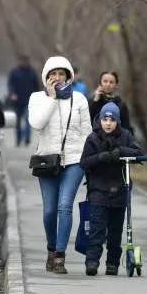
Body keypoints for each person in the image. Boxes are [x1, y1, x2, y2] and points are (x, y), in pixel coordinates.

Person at [28, 56, 93, 274]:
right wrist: (52, 99)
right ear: (46, 77)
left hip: (74, 160)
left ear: (68, 76)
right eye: (53, 74)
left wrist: (87, 160)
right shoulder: (37, 98)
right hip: (47, 160)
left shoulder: (80, 99)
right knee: (49, 212)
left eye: (61, 74)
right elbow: (36, 124)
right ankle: (50, 248)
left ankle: (60, 256)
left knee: (65, 206)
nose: (57, 78)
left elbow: (87, 133)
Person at [79, 101, 145, 276]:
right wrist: (100, 157)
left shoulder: (126, 136)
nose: (108, 123)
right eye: (105, 119)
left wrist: (121, 152)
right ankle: (92, 261)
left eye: (112, 120)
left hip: (120, 188)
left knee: (116, 229)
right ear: (100, 120)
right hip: (98, 188)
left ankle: (113, 263)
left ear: (117, 121)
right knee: (97, 228)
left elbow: (139, 153)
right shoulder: (92, 138)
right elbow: (84, 162)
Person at [7, 55, 42, 146]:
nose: (23, 63)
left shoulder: (32, 72)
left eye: (25, 61)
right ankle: (18, 139)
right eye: (22, 61)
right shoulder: (15, 72)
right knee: (18, 122)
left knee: (27, 120)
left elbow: (37, 86)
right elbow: (11, 85)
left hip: (29, 100)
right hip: (17, 101)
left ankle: (27, 138)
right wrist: (12, 94)